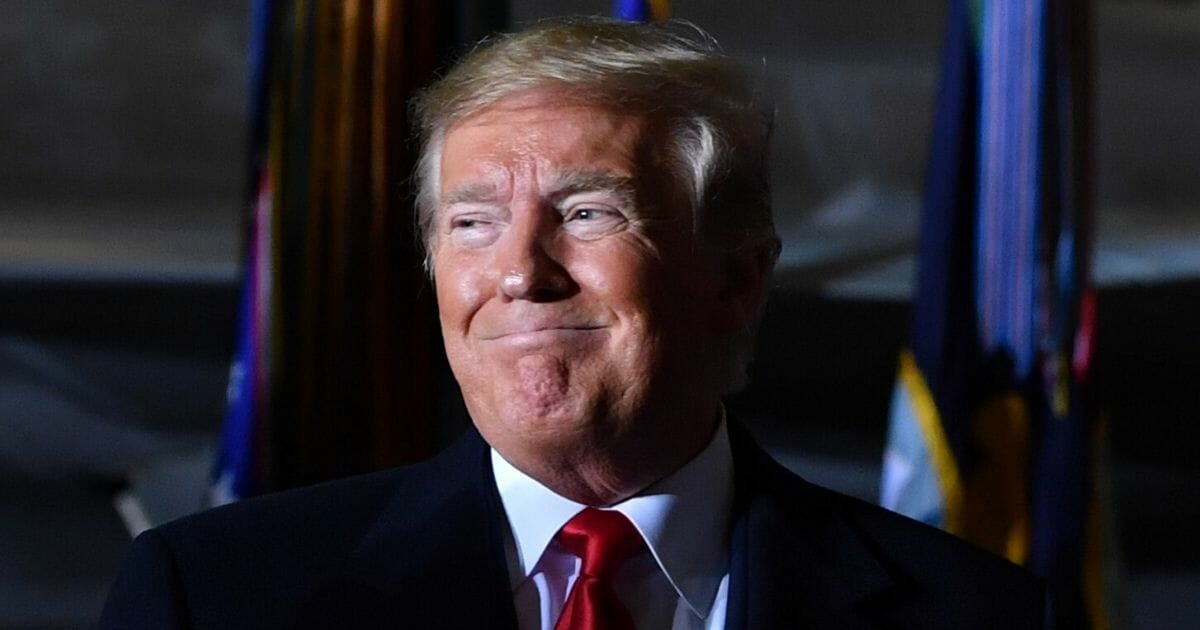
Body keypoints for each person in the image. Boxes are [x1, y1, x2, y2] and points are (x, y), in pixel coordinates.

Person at [101, 17, 1049, 629]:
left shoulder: (979, 616)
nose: (518, 271)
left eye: (589, 212)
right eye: (472, 223)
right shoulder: (215, 598)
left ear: (737, 277)